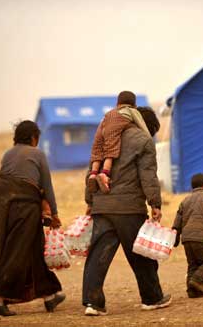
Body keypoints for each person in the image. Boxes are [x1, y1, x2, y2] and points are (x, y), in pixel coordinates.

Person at [82, 106, 171, 316]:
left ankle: (93, 304)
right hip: (128, 207)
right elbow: (148, 175)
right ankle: (152, 298)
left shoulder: (105, 134)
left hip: (102, 205)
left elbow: (91, 171)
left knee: (97, 256)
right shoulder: (143, 140)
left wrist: (90, 200)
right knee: (140, 253)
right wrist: (155, 204)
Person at [0, 120, 64, 316]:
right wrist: (54, 214)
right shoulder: (37, 154)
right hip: (24, 205)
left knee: (34, 248)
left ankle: (49, 295)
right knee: (17, 252)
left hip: (2, 205)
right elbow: (47, 186)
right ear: (33, 137)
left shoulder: (8, 153)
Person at [87, 91, 150, 194]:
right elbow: (141, 124)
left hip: (103, 124)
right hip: (113, 127)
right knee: (110, 150)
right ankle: (104, 174)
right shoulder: (131, 110)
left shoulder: (110, 113)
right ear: (135, 105)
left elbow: (97, 146)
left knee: (98, 149)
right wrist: (148, 138)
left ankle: (93, 174)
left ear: (117, 104)